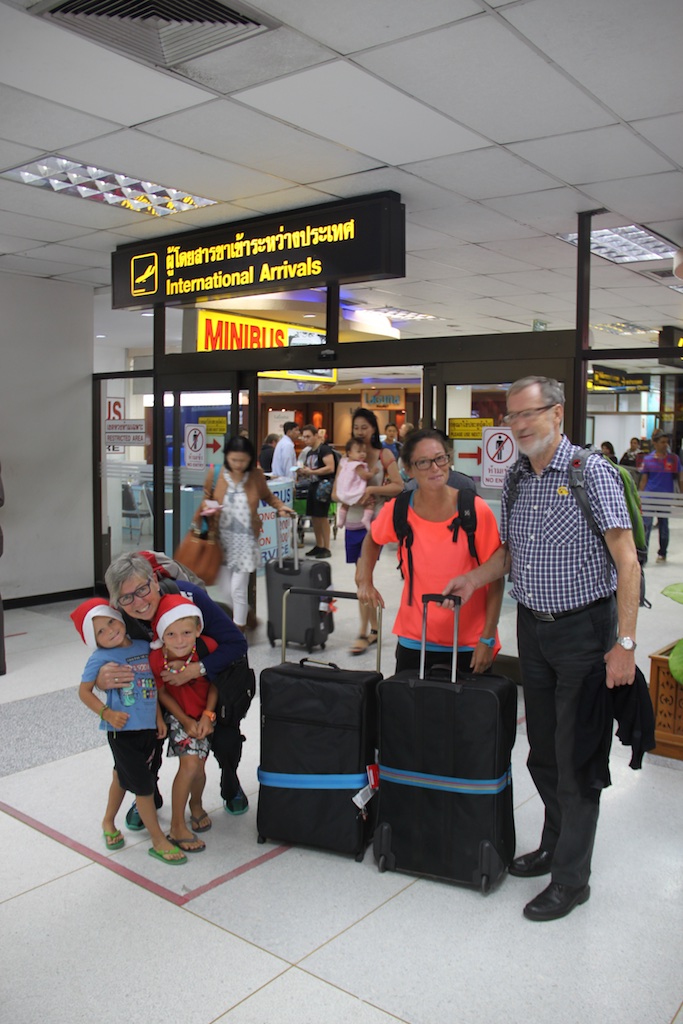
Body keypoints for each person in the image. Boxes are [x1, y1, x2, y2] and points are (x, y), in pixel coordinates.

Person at [443, 376, 640, 922]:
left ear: (557, 414)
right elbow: (509, 554)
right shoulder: (516, 480)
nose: (519, 424)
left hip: (584, 634)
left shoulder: (590, 473)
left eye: (529, 414)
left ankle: (573, 880)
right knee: (544, 754)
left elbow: (627, 561)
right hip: (535, 631)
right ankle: (555, 843)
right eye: (511, 416)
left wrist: (624, 643)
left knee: (578, 761)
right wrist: (473, 579)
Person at [100, 553, 250, 822]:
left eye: (142, 589)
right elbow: (103, 660)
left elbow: (236, 643)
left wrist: (198, 669)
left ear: (154, 581)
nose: (138, 602)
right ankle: (145, 794)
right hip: (158, 693)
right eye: (126, 597)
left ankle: (230, 781)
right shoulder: (118, 620)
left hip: (208, 689)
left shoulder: (190, 597)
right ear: (117, 602)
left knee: (226, 740)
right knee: (143, 738)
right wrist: (102, 678)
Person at [356, 429, 504, 675]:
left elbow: (496, 578)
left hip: (469, 640)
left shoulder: (475, 510)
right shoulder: (400, 509)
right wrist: (365, 578)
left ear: (449, 459)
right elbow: (372, 539)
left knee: (466, 713)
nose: (435, 468)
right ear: (409, 469)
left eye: (440, 458)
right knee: (412, 711)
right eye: (423, 462)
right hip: (414, 637)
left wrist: (487, 639)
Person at [72, 598, 187, 865]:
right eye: (100, 631)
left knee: (123, 777)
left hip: (149, 729)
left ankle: (108, 822)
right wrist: (106, 713)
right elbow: (84, 691)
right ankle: (158, 840)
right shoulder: (100, 658)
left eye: (111, 621)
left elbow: (154, 686)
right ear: (94, 639)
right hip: (121, 732)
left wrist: (159, 717)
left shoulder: (143, 647)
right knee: (143, 786)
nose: (110, 630)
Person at [202, 435, 295, 630]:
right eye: (234, 460)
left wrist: (280, 506)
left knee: (237, 588)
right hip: (219, 539)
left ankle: (239, 628)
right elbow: (206, 497)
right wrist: (208, 508)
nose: (238, 464)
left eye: (243, 460)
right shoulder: (216, 473)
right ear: (227, 457)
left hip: (245, 539)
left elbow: (268, 496)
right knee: (225, 588)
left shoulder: (255, 475)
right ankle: (248, 616)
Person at [149, 595, 219, 853]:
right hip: (181, 717)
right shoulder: (157, 658)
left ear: (198, 630)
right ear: (161, 635)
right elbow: (162, 692)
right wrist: (185, 720)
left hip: (205, 717)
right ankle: (177, 825)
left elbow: (216, 683)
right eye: (171, 634)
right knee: (189, 765)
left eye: (187, 632)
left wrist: (207, 716)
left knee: (199, 767)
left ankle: (197, 805)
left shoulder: (208, 647)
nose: (180, 641)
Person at [345, 407, 403, 654]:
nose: (360, 432)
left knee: (361, 577)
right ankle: (375, 629)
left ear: (373, 429)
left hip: (373, 522)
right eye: (356, 427)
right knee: (360, 578)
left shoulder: (384, 454)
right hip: (352, 520)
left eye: (364, 427)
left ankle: (363, 632)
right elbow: (338, 489)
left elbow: (399, 486)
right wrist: (348, 497)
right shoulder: (348, 456)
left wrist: (371, 491)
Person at [638, 428, 683, 563]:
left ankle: (662, 552)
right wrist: (639, 496)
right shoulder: (648, 459)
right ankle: (643, 555)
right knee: (646, 526)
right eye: (662, 442)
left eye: (666, 442)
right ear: (655, 443)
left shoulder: (673, 459)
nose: (665, 445)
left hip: (665, 497)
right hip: (649, 497)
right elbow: (644, 479)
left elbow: (680, 478)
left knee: (663, 526)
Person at [297, 424, 337, 558]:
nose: (305, 439)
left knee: (322, 516)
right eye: (304, 437)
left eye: (308, 436)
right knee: (314, 516)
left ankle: (326, 546)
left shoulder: (324, 450)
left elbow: (330, 467)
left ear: (316, 436)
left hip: (323, 486)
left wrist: (312, 471)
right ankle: (319, 545)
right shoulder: (309, 452)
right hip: (313, 484)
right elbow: (311, 469)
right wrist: (304, 472)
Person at [334, 437, 374, 531]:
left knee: (345, 504)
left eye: (364, 451)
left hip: (344, 490)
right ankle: (366, 519)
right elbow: (364, 476)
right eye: (359, 451)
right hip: (355, 490)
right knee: (370, 502)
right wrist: (373, 473)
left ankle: (341, 520)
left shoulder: (345, 462)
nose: (362, 454)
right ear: (349, 453)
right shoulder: (358, 465)